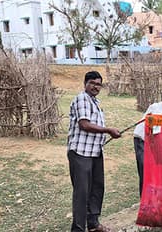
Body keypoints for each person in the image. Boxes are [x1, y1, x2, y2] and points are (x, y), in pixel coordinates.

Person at [67, 71, 121, 232]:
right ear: (85, 84)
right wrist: (108, 130)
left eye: (98, 84)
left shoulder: (95, 101)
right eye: (92, 83)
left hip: (95, 153)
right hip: (81, 153)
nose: (96, 87)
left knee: (97, 188)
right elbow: (84, 124)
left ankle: (93, 223)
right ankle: (78, 229)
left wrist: (106, 133)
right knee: (82, 193)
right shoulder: (82, 98)